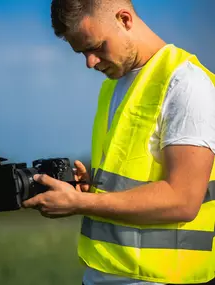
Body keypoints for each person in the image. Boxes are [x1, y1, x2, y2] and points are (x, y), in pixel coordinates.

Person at [23, 0, 215, 284]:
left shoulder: (186, 84)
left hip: (162, 279)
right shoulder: (113, 86)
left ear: (124, 19)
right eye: (82, 53)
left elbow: (183, 200)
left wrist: (81, 203)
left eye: (96, 47)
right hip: (105, 275)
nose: (90, 62)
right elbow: (132, 178)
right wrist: (92, 190)